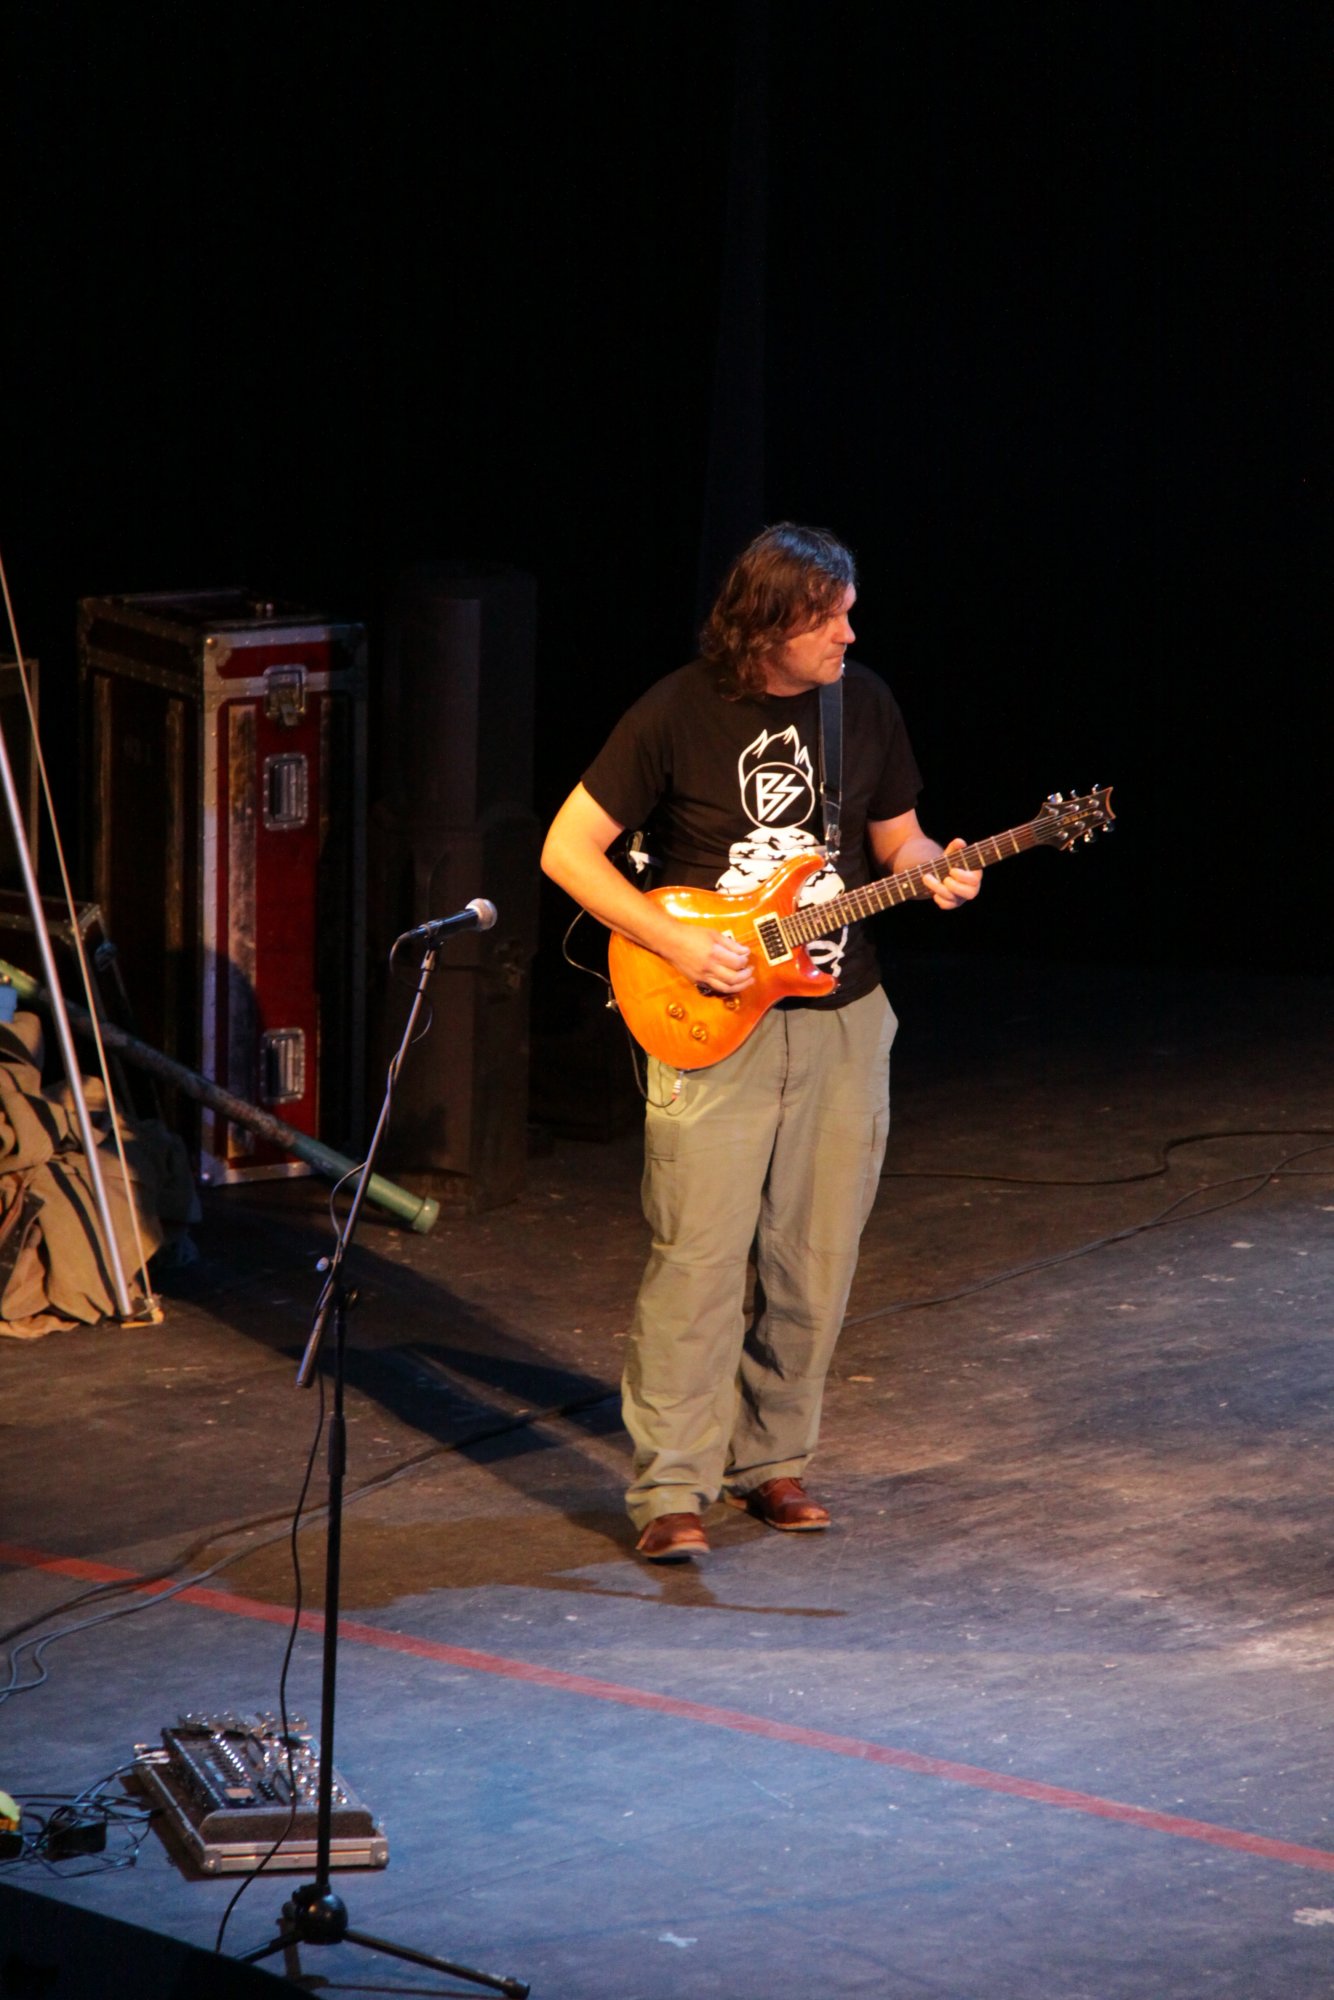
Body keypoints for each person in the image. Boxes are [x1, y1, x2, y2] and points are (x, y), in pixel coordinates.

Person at [541, 523, 980, 1561]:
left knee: (813, 1259)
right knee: (696, 1260)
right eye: (828, 618)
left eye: (848, 614)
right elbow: (567, 849)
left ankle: (771, 1460)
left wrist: (936, 864)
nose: (848, 634)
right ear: (769, 623)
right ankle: (670, 1487)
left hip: (842, 1018)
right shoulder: (674, 711)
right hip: (713, 1021)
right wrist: (676, 941)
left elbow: (896, 838)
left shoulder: (862, 703)